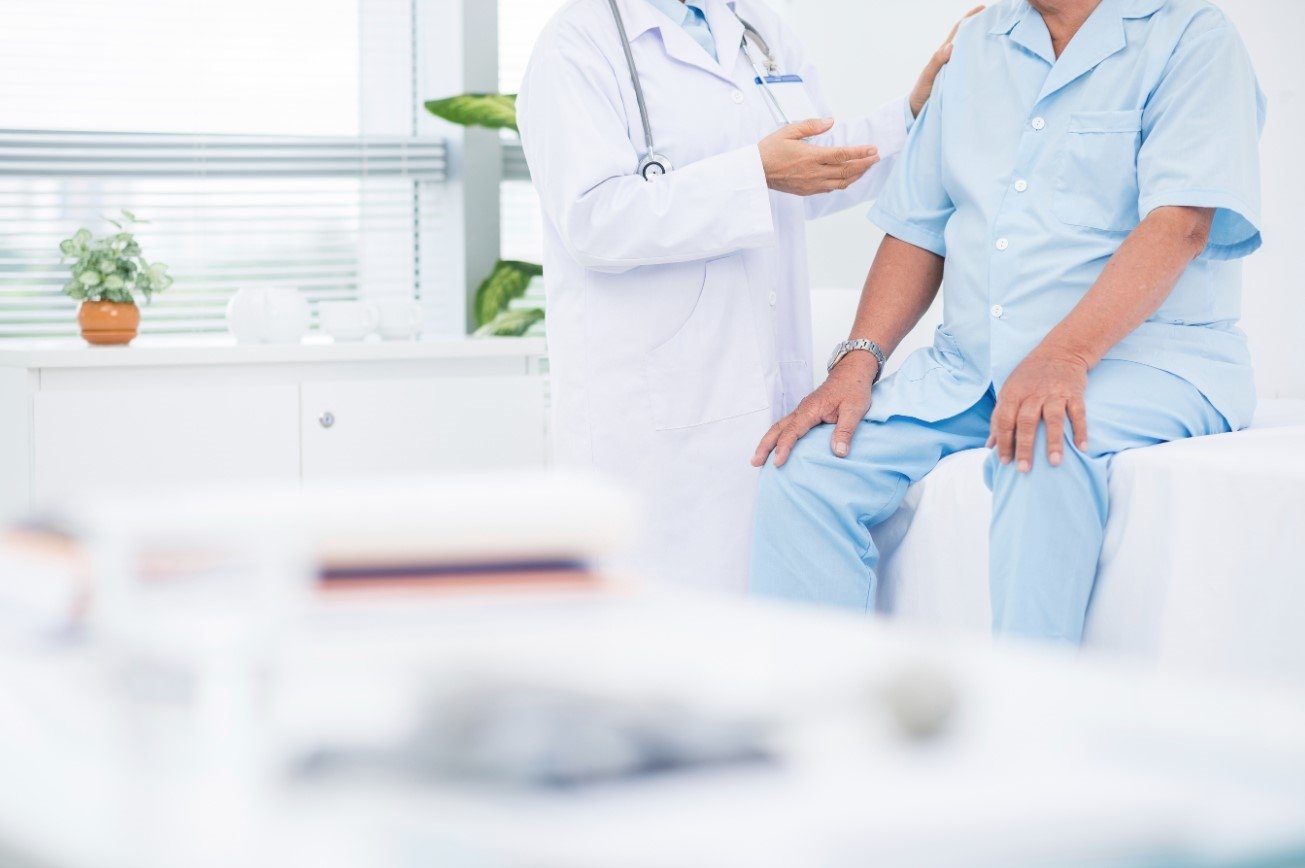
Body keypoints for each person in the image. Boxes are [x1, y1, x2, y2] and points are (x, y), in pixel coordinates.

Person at [750, 0, 1265, 643]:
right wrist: (858, 361)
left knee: (1041, 444)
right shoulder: (979, 43)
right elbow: (917, 227)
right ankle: (816, 700)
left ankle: (1028, 699)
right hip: (971, 368)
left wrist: (1063, 357)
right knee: (807, 470)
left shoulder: (1192, 37)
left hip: (1144, 359)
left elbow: (1180, 223)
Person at [517, 0, 979, 592]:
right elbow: (592, 221)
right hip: (653, 415)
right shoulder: (576, 43)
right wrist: (754, 175)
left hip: (762, 396)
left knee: (758, 616)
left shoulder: (756, 28)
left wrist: (911, 115)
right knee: (654, 620)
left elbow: (812, 167)